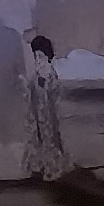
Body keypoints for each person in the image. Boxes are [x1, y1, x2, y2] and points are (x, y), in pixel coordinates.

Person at [24, 33, 70, 182]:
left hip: (50, 120)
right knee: (40, 142)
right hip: (39, 119)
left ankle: (55, 170)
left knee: (52, 142)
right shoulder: (35, 79)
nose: (38, 61)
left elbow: (55, 101)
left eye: (41, 56)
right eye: (35, 57)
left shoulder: (50, 77)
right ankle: (41, 168)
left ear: (48, 57)